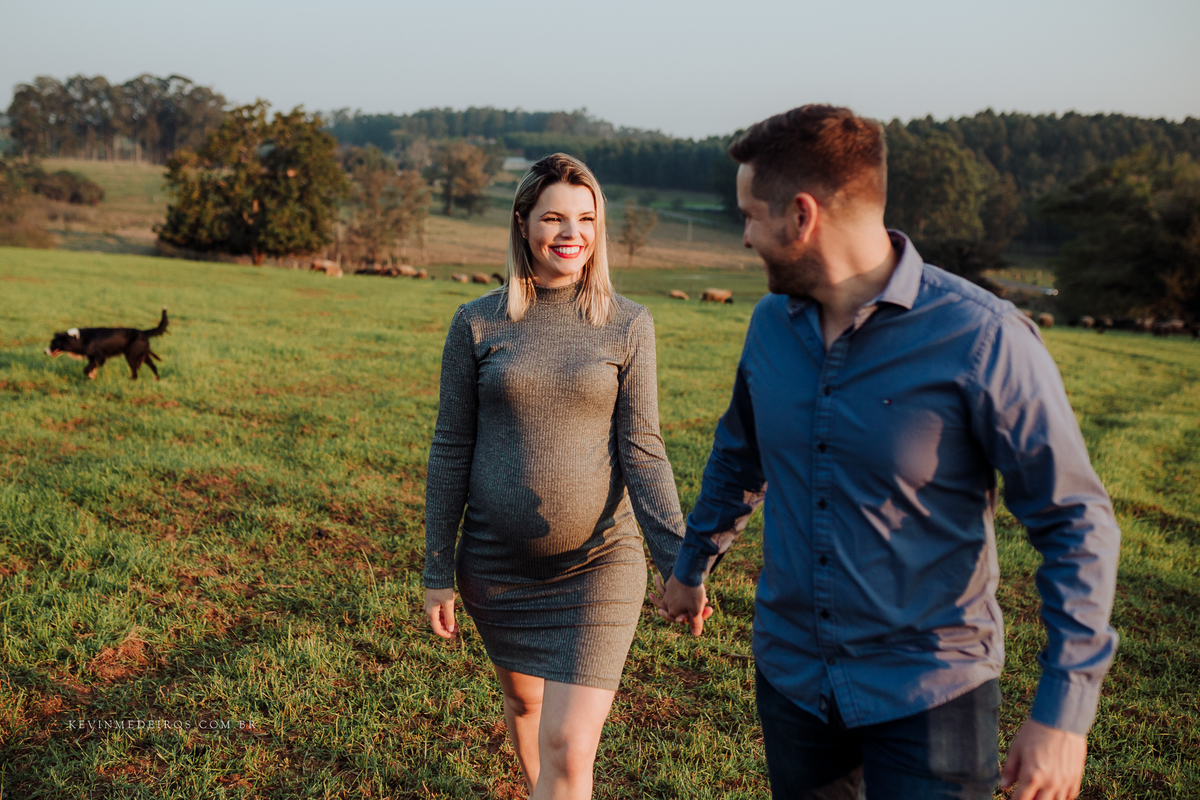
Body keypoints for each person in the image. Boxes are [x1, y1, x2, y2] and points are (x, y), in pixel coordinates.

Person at [653, 105, 1120, 800]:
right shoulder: (767, 328)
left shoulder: (983, 339)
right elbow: (737, 456)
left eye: (751, 215)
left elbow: (1074, 520)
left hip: (931, 693)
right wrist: (692, 566)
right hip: (793, 683)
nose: (745, 237)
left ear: (802, 216)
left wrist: (1063, 712)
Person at [423, 153, 693, 800]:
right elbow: (451, 448)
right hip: (496, 565)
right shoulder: (476, 322)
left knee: (569, 750)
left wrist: (680, 562)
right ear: (522, 224)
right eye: (553, 218)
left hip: (599, 564)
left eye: (586, 218)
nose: (571, 233)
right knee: (524, 712)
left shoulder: (628, 324)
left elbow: (644, 448)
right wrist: (437, 571)